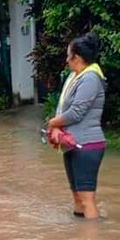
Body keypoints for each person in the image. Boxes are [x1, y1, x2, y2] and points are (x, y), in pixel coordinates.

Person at [46, 32, 106, 220]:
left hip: (87, 145)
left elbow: (76, 113)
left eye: (68, 55)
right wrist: (55, 127)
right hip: (71, 144)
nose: (66, 59)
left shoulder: (90, 79)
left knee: (87, 199)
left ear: (77, 57)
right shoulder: (75, 77)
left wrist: (52, 123)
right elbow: (62, 107)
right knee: (77, 198)